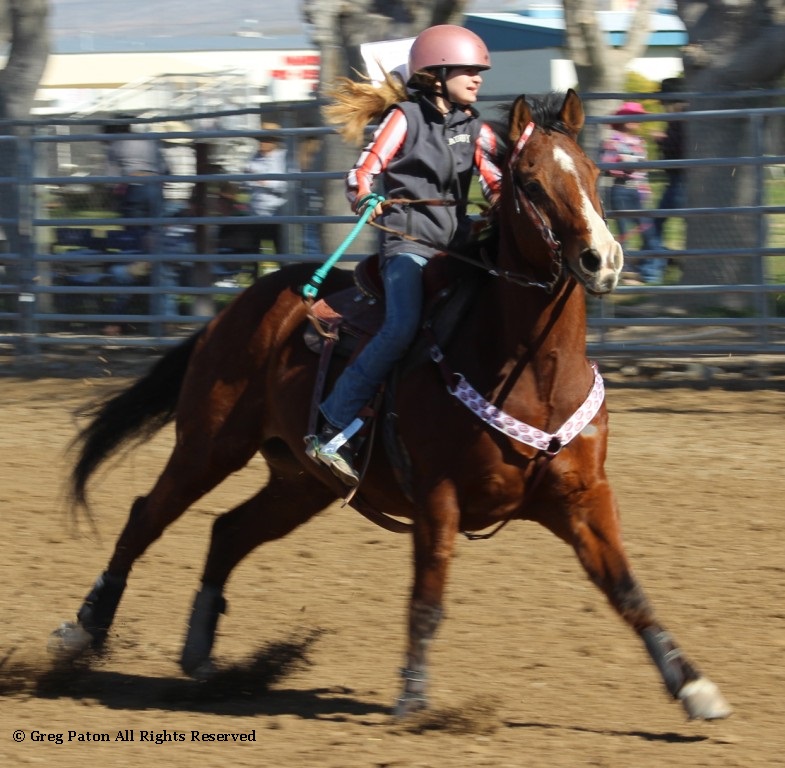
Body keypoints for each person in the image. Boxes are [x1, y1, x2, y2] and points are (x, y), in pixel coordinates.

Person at [305, 24, 503, 486]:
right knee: (401, 327)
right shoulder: (404, 118)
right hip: (407, 244)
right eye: (468, 70)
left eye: (480, 71)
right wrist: (366, 196)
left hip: (455, 248)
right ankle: (333, 420)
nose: (478, 78)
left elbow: (495, 181)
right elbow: (362, 171)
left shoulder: (477, 127)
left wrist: (505, 208)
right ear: (436, 73)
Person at [102, 118, 169, 335]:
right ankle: (160, 317)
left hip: (135, 188)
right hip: (155, 187)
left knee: (133, 245)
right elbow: (166, 169)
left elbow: (110, 179)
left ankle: (119, 318)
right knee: (154, 243)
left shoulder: (116, 145)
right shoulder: (150, 140)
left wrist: (116, 193)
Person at [600, 102, 664, 285]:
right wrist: (624, 166)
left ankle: (645, 273)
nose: (637, 120)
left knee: (646, 230)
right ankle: (630, 272)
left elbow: (644, 169)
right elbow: (607, 166)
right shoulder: (613, 141)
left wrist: (644, 188)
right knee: (626, 232)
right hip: (622, 189)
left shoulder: (638, 141)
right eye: (633, 116)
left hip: (636, 191)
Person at [241, 121, 289, 255]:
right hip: (256, 214)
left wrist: (264, 181)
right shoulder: (254, 158)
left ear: (275, 142)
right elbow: (246, 184)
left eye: (266, 140)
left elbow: (286, 186)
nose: (262, 143)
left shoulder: (283, 157)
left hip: (277, 214)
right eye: (261, 139)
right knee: (254, 253)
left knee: (280, 252)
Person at [654, 78, 687, 245]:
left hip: (680, 178)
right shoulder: (678, 118)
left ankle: (653, 266)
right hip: (678, 178)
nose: (662, 106)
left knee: (657, 221)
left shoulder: (679, 120)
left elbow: (680, 147)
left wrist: (663, 141)